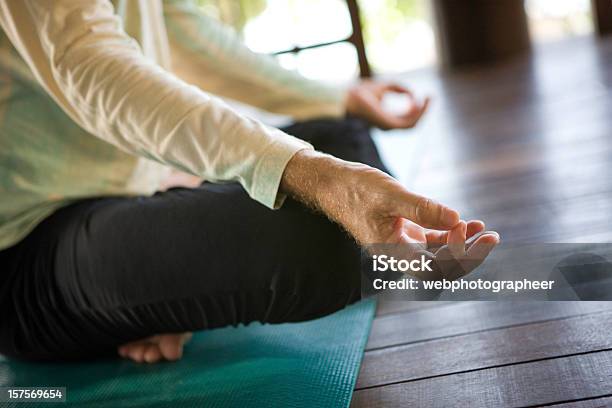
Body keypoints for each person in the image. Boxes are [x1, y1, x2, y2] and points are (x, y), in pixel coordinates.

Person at [0, 0, 499, 363]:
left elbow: (184, 35)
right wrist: (321, 180)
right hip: (27, 251)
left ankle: (155, 291)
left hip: (133, 197)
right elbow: (95, 72)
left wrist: (340, 99)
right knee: (321, 239)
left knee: (339, 136)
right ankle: (147, 295)